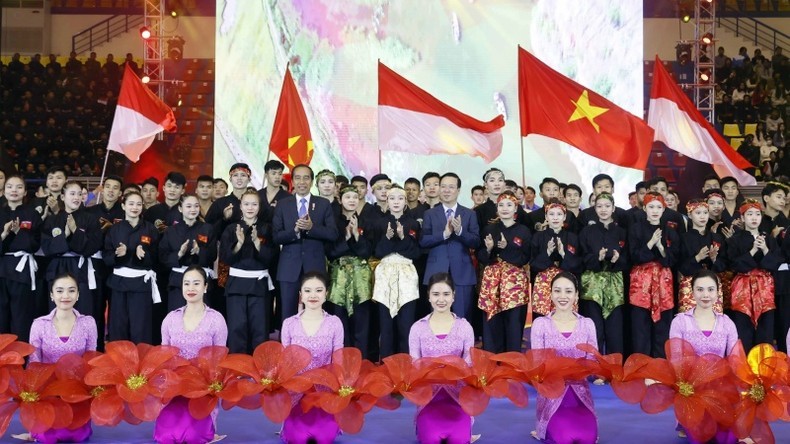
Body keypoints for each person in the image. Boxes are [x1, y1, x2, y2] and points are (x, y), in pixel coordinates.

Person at [155, 266, 228, 444]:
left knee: (194, 437)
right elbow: (164, 358)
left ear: (205, 287)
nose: (191, 288)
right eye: (186, 283)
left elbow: (220, 361)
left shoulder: (216, 319)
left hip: (202, 390)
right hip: (175, 389)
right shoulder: (170, 319)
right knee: (165, 437)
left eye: (196, 283)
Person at [21, 273, 97, 443]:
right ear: (52, 295)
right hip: (49, 393)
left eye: (71, 291)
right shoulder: (39, 324)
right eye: (60, 291)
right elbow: (34, 363)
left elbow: (91, 359)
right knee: (47, 437)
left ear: (77, 295)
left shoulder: (88, 323)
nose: (65, 296)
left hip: (76, 392)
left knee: (79, 435)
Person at [669, 270, 738, 444]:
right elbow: (676, 362)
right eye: (700, 290)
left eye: (710, 289)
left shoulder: (727, 323)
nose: (705, 295)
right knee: (703, 438)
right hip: (692, 393)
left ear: (718, 292)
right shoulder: (680, 322)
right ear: (692, 292)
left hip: (721, 393)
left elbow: (735, 360)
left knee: (728, 440)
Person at [530, 272, 597, 444]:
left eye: (568, 291)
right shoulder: (541, 324)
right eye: (557, 291)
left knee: (588, 438)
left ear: (576, 295)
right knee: (564, 437)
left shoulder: (588, 324)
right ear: (551, 294)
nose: (562, 296)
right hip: (552, 397)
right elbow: (537, 363)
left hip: (580, 396)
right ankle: (544, 424)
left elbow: (593, 360)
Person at [409, 272, 475, 444]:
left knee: (460, 440)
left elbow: (469, 362)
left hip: (458, 401)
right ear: (428, 297)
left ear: (454, 296)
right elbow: (414, 364)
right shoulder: (417, 328)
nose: (441, 299)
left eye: (446, 294)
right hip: (428, 401)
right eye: (436, 294)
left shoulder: (465, 327)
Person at [280, 271, 343, 444]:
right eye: (307, 291)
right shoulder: (289, 324)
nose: (313, 295)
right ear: (301, 295)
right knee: (297, 439)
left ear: (326, 294)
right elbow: (285, 363)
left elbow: (338, 360)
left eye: (318, 290)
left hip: (325, 394)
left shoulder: (335, 323)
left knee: (325, 438)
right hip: (296, 394)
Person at [273, 164, 338, 322]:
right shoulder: (283, 204)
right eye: (297, 177)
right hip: (289, 266)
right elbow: (276, 236)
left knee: (315, 310)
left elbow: (333, 234)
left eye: (306, 177)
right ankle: (288, 345)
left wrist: (312, 228)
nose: (302, 181)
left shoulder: (323, 204)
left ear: (311, 181)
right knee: (287, 312)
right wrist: (294, 231)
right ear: (293, 181)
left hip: (314, 265)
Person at [220, 189, 274, 354]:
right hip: (236, 285)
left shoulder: (267, 229)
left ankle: (261, 372)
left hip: (259, 285)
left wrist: (258, 244)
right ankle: (237, 369)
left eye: (254, 204)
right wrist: (238, 245)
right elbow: (225, 258)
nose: (250, 208)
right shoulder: (231, 229)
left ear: (259, 207)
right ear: (240, 206)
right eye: (246, 204)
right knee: (237, 328)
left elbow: (272, 258)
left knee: (260, 329)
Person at [420, 173, 480, 321]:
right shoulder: (429, 214)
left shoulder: (469, 214)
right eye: (443, 186)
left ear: (458, 190)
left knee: (463, 317)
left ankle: (465, 345)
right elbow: (423, 241)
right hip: (436, 270)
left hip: (462, 272)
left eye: (451, 187)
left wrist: (460, 231)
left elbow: (476, 242)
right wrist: (444, 234)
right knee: (437, 317)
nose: (446, 190)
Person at [477, 191, 531, 353]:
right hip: (492, 280)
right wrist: (488, 249)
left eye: (509, 205)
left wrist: (506, 248)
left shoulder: (523, 231)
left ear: (516, 208)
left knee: (514, 321)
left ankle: (512, 362)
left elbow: (525, 257)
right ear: (496, 209)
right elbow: (481, 256)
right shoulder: (489, 229)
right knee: (491, 320)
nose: (505, 208)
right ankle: (492, 360)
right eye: (501, 205)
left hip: (515, 282)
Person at [103, 191, 160, 344]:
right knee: (118, 326)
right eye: (131, 204)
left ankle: (142, 365)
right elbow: (106, 257)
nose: (135, 207)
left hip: (141, 284)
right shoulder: (114, 230)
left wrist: (143, 255)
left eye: (138, 204)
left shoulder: (150, 229)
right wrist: (117, 254)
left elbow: (157, 258)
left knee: (141, 326)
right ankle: (118, 365)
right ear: (123, 206)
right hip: (118, 284)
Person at [726, 199, 782, 351]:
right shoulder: (734, 240)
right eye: (749, 214)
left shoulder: (769, 239)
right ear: (743, 218)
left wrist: (764, 249)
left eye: (757, 214)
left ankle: (764, 369)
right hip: (743, 287)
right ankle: (743, 367)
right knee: (743, 328)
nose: (754, 217)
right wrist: (752, 251)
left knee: (766, 328)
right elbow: (734, 265)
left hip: (764, 288)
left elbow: (776, 264)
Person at [628, 192, 679, 358]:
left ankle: (660, 365)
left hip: (663, 281)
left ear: (664, 209)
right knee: (640, 325)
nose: (655, 210)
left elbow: (673, 259)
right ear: (644, 208)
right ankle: (641, 365)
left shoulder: (670, 231)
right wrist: (650, 244)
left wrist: (661, 247)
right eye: (651, 207)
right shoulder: (636, 228)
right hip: (641, 281)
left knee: (662, 325)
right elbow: (633, 256)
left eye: (659, 207)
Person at [372, 185, 421, 358]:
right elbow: (377, 252)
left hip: (407, 273)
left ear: (405, 201)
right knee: (386, 324)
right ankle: (386, 365)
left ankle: (406, 364)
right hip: (385, 273)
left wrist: (402, 238)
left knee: (406, 323)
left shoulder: (413, 223)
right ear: (387, 200)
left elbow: (416, 252)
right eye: (392, 198)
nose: (396, 202)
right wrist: (387, 238)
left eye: (400, 198)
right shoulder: (378, 223)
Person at [41, 181, 103, 317]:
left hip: (81, 269)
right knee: (58, 311)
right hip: (58, 268)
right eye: (72, 194)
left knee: (83, 309)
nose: (76, 198)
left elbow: (93, 245)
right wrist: (65, 236)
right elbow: (47, 247)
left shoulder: (91, 219)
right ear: (62, 197)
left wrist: (75, 231)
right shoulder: (53, 220)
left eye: (79, 194)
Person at [326, 185, 373, 357]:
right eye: (348, 197)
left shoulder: (366, 221)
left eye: (355, 197)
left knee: (361, 321)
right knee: (340, 320)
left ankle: (361, 361)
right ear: (340, 199)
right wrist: (346, 237)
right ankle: (341, 361)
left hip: (361, 276)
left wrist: (357, 235)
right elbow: (330, 252)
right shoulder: (333, 221)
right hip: (338, 276)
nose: (352, 200)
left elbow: (368, 252)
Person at [578, 193, 627, 355]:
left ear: (613, 208)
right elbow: (582, 257)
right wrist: (596, 258)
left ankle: (614, 369)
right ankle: (595, 368)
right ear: (594, 208)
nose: (603, 209)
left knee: (615, 328)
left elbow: (628, 259)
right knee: (594, 327)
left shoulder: (622, 232)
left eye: (607, 206)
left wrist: (617, 260)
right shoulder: (587, 232)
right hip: (592, 284)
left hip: (615, 284)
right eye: (599, 206)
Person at [0, 175, 42, 343]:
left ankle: (21, 359)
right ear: (4, 190)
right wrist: (3, 235)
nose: (14, 191)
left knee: (21, 316)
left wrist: (18, 233)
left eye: (18, 187)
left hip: (22, 270)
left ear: (25, 191)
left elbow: (35, 245)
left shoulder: (32, 213)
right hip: (1, 268)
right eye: (10, 187)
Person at [159, 195, 217, 311]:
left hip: (201, 281)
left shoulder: (208, 228)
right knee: (177, 318)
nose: (193, 209)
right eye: (189, 206)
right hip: (177, 282)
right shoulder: (171, 231)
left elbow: (213, 255)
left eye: (196, 206)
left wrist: (199, 251)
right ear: (180, 208)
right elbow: (162, 257)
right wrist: (179, 254)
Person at [530, 200, 582, 318]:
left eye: (559, 214)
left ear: (564, 217)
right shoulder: (537, 237)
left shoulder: (573, 238)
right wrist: (547, 252)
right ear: (546, 216)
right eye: (551, 214)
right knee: (542, 317)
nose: (555, 218)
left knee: (566, 317)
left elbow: (579, 265)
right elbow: (533, 264)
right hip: (543, 284)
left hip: (566, 283)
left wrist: (564, 254)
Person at [678, 199, 727, 314]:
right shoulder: (683, 238)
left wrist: (714, 259)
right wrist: (697, 258)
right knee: (690, 321)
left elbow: (724, 265)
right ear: (690, 215)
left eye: (705, 213)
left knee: (713, 319)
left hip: (712, 283)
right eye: (698, 213)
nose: (702, 216)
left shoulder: (717, 238)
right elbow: (679, 266)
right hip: (690, 284)